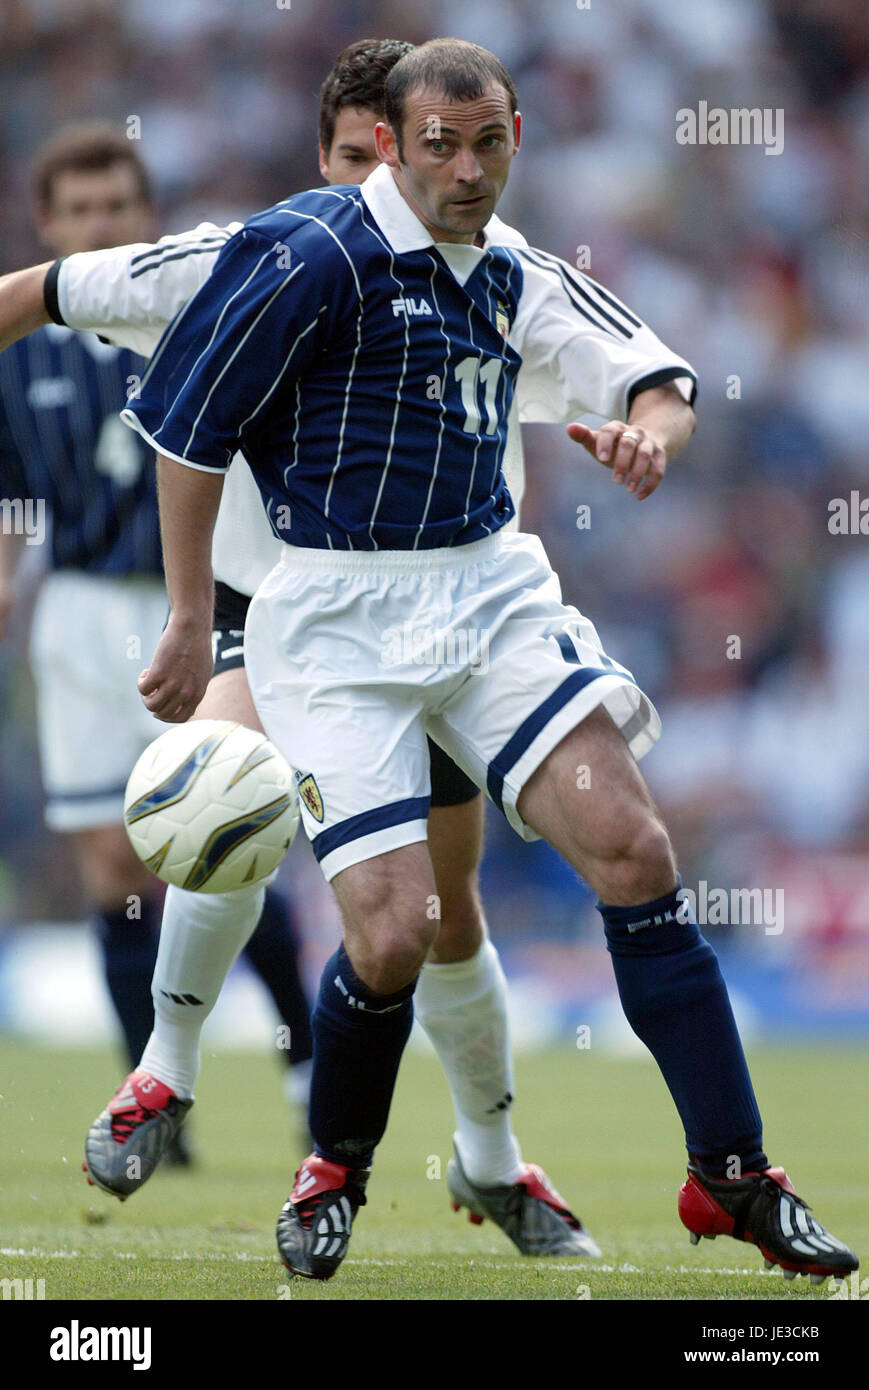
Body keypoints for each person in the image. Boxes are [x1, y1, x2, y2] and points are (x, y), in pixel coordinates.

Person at [116, 34, 858, 1287]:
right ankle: (336, 1165)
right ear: (394, 145)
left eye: (490, 143)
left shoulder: (518, 271)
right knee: (397, 931)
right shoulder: (307, 256)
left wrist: (645, 438)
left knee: (632, 846)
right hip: (337, 624)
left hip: (486, 596)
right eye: (442, 145)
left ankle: (730, 1173)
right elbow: (189, 441)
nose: (468, 170)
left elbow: (657, 377)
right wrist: (191, 619)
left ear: (516, 140)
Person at [0, 43, 602, 1258]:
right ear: (329, 157)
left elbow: (601, 374)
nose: (384, 185)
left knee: (443, 915)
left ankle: (488, 1158)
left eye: (410, 156)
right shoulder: (249, 254)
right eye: (356, 159)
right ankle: (162, 1071)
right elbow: (29, 289)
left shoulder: (495, 275)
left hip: (442, 630)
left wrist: (618, 417)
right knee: (214, 790)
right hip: (273, 613)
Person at [0, 124, 315, 1158]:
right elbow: (13, 504)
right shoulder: (22, 355)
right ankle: (155, 1103)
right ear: (49, 227)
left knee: (229, 838)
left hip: (209, 605)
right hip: (84, 613)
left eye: (116, 209)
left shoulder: (200, 320)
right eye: (78, 213)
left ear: (146, 218)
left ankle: (303, 1058)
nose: (98, 227)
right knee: (111, 866)